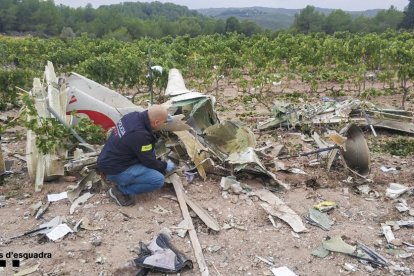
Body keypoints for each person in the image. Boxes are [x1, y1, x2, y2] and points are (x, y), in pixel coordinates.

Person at [97, 105, 175, 206]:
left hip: (107, 158)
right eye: (163, 122)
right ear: (156, 122)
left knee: (150, 150)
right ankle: (120, 191)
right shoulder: (140, 135)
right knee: (158, 180)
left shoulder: (132, 116)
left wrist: (163, 117)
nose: (164, 123)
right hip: (115, 170)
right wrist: (164, 166)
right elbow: (149, 162)